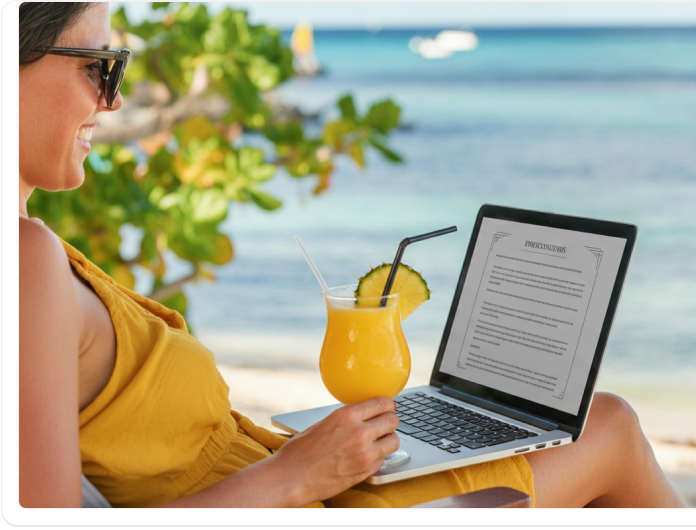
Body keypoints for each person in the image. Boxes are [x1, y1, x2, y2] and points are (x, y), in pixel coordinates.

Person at [18, 2, 685, 509]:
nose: (115, 99)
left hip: (291, 483)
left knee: (584, 424)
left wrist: (310, 463)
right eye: (99, 67)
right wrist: (295, 473)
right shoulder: (25, 261)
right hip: (287, 496)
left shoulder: (31, 251)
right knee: (611, 428)